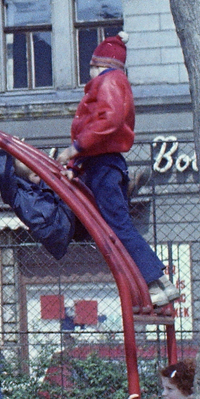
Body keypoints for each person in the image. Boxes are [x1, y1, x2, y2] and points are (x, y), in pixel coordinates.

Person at [59, 36, 181, 310]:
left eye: (90, 66)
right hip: (100, 164)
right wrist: (74, 165)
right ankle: (158, 285)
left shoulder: (109, 80)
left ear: (98, 65)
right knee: (115, 224)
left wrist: (74, 149)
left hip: (102, 165)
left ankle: (153, 280)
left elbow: (109, 120)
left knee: (117, 225)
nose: (87, 73)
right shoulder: (112, 82)